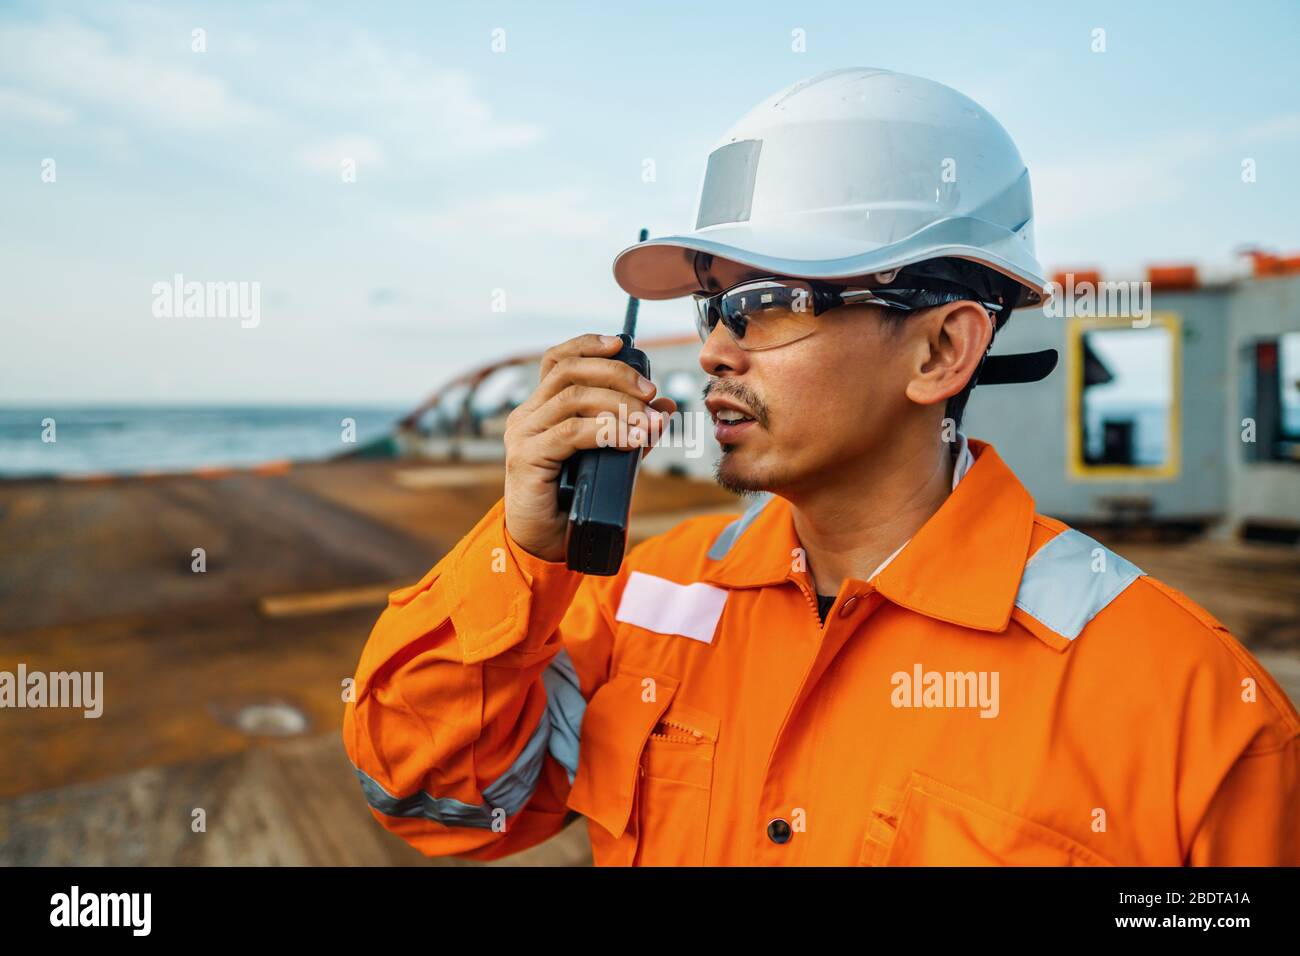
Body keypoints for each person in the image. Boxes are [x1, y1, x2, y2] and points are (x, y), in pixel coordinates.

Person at [343, 68, 1299, 865]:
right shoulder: (642, 598)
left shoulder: (1191, 706)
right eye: (716, 304)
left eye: (771, 300)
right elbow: (427, 797)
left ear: (939, 353)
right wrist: (523, 555)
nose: (716, 350)